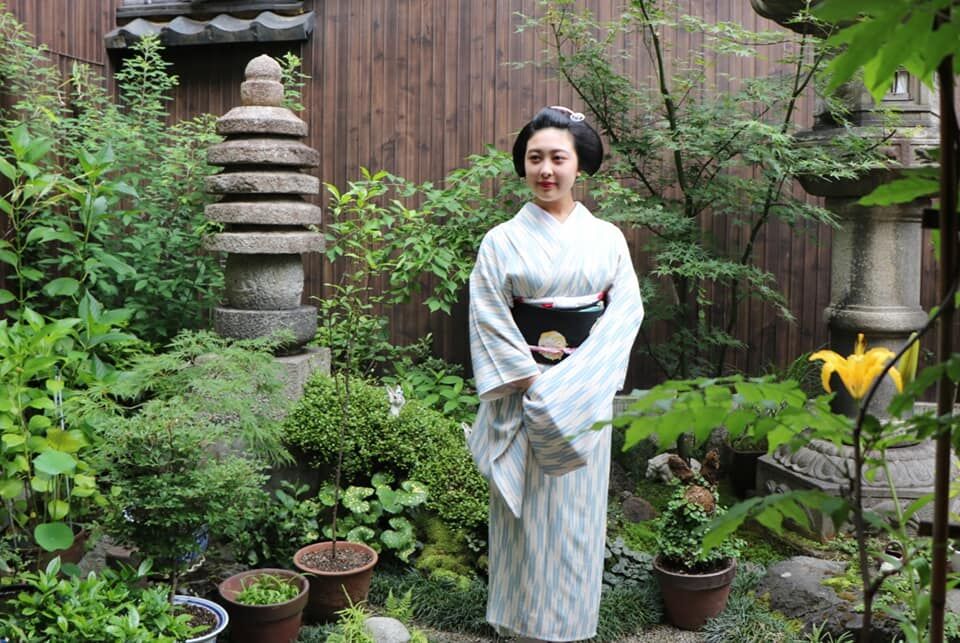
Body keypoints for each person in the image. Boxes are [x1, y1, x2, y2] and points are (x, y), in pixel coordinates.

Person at [467, 106, 644, 641]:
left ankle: (570, 626)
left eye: (558, 158)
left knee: (575, 519)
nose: (546, 170)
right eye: (534, 158)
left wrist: (575, 384)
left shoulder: (607, 238)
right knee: (522, 521)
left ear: (578, 165)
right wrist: (533, 383)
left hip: (584, 399)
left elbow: (625, 312)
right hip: (523, 394)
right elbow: (488, 314)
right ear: (522, 165)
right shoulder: (501, 240)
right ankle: (520, 626)